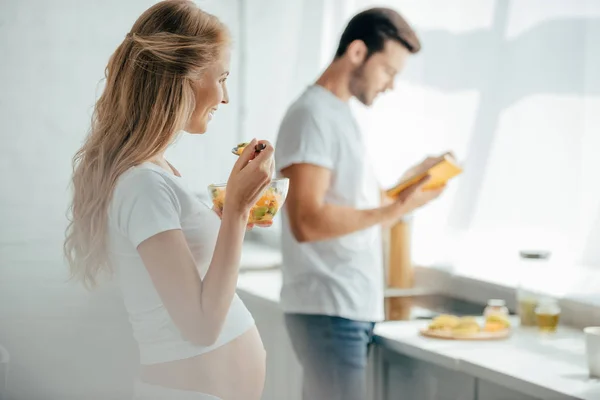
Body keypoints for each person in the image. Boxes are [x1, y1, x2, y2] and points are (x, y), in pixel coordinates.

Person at [63, 1, 273, 399]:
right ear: (184, 77)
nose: (225, 97)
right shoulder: (142, 183)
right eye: (222, 78)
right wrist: (238, 213)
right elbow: (201, 327)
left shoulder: (155, 171)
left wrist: (229, 216)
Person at [274, 7, 446, 400]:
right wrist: (395, 209)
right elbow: (307, 221)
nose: (391, 85)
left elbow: (353, 210)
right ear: (356, 53)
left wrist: (409, 191)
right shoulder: (311, 115)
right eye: (388, 71)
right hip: (329, 310)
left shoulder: (338, 115)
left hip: (345, 309)